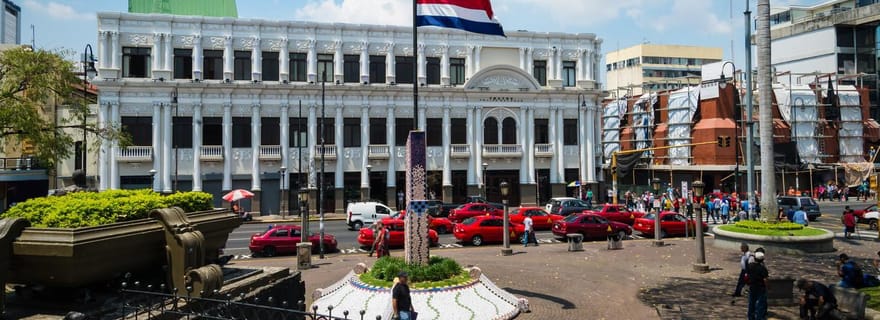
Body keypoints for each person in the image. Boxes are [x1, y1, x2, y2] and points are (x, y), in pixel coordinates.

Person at [747, 251, 769, 320]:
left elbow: (747, 275)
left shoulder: (750, 266)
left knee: (751, 303)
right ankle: (759, 318)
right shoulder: (763, 269)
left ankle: (751, 317)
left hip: (752, 287)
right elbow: (765, 280)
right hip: (760, 288)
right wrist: (768, 287)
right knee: (760, 304)